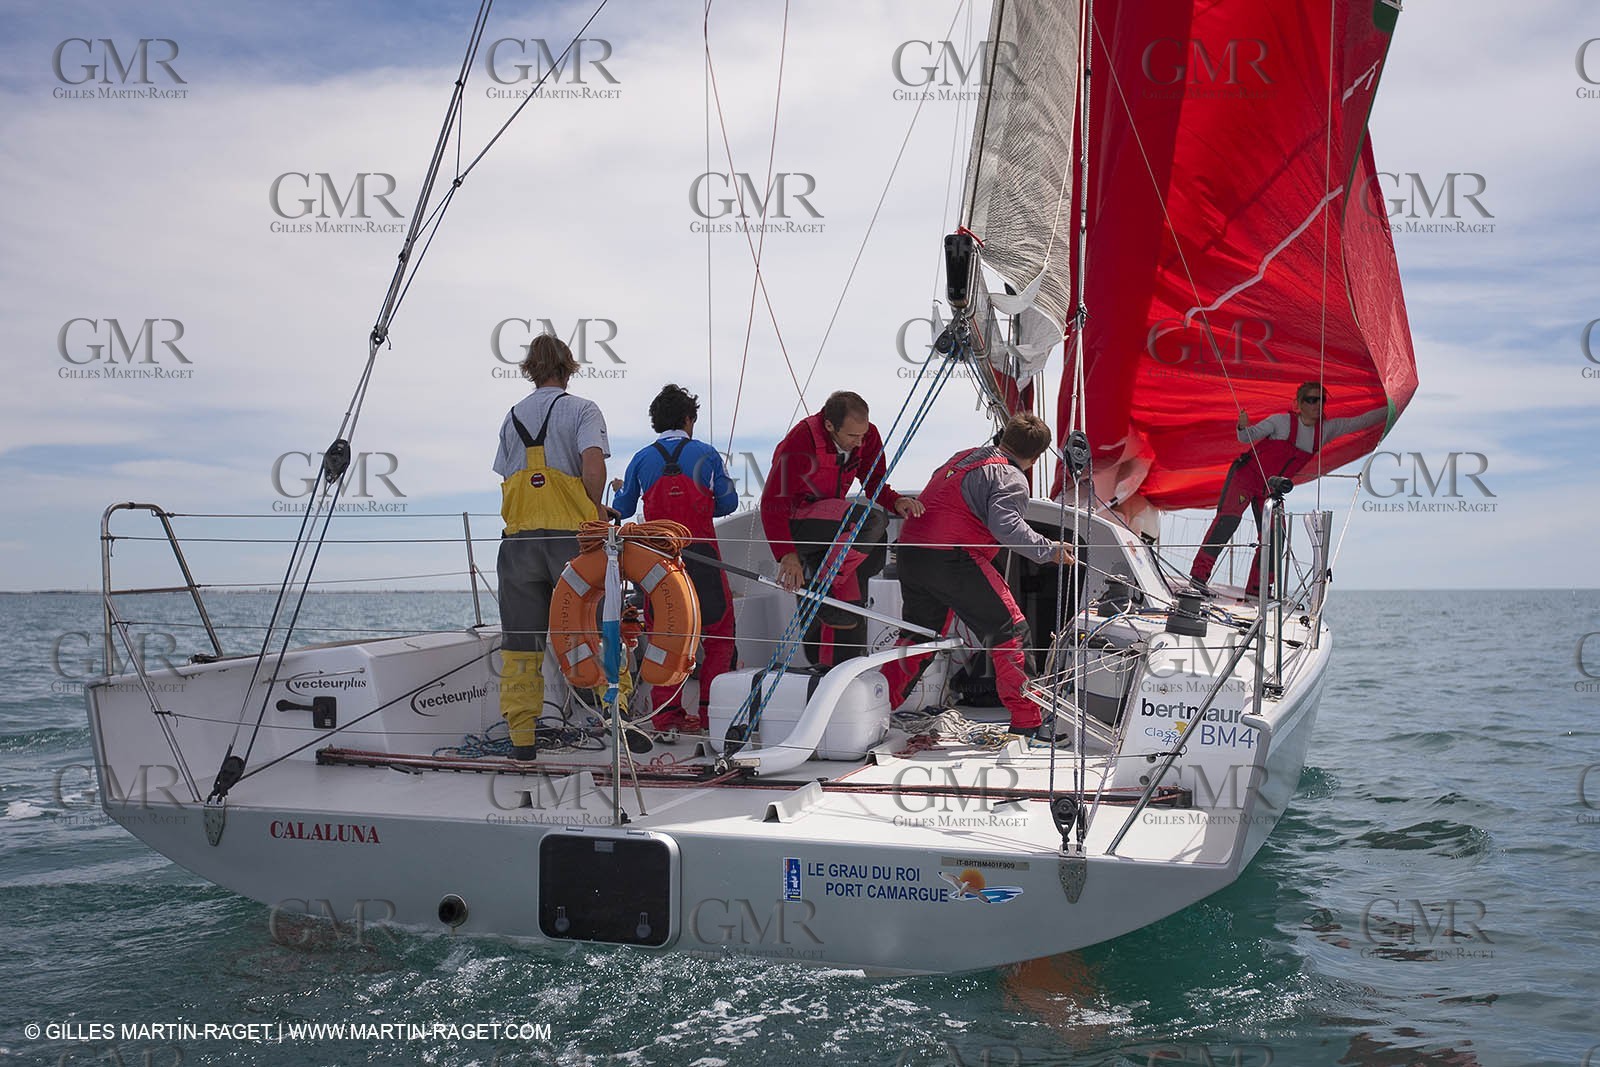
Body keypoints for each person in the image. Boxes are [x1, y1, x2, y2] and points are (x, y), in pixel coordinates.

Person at [877, 413, 1074, 739]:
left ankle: (876, 707)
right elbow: (1006, 527)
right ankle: (1028, 726)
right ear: (1035, 458)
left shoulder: (963, 457)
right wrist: (1050, 550)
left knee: (918, 637)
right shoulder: (1011, 476)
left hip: (911, 554)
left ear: (1003, 438)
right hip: (951, 557)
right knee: (1012, 633)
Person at [493, 334, 616, 761]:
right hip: (573, 541)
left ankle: (522, 738)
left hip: (518, 544)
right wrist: (598, 508)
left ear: (531, 370)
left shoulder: (511, 418)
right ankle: (619, 720)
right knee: (598, 628)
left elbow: (506, 476)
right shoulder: (582, 409)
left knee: (520, 645)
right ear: (567, 368)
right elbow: (593, 463)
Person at [760, 391, 924, 668]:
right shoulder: (801, 440)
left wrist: (896, 501)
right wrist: (787, 555)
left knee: (851, 607)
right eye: (851, 437)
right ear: (829, 426)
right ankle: (822, 590)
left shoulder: (867, 436)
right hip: (797, 519)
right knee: (871, 522)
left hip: (830, 522)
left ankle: (838, 671)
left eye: (862, 435)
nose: (859, 442)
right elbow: (772, 503)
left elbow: (874, 484)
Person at [612, 384, 739, 734]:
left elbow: (621, 509)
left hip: (660, 563)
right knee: (720, 633)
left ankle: (666, 719)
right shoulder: (706, 454)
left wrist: (620, 489)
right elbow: (729, 504)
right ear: (688, 418)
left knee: (666, 636)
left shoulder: (641, 458)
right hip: (704, 557)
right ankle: (714, 716)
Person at [1189, 382, 1387, 595]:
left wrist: (1392, 408)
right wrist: (1242, 426)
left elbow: (1361, 422)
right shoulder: (1281, 422)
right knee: (1227, 523)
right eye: (1311, 400)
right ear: (1299, 404)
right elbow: (1246, 437)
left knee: (1276, 537)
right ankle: (1198, 577)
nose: (1316, 405)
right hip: (1245, 477)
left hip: (1271, 489)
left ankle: (1258, 591)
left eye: (1321, 400)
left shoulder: (1326, 430)